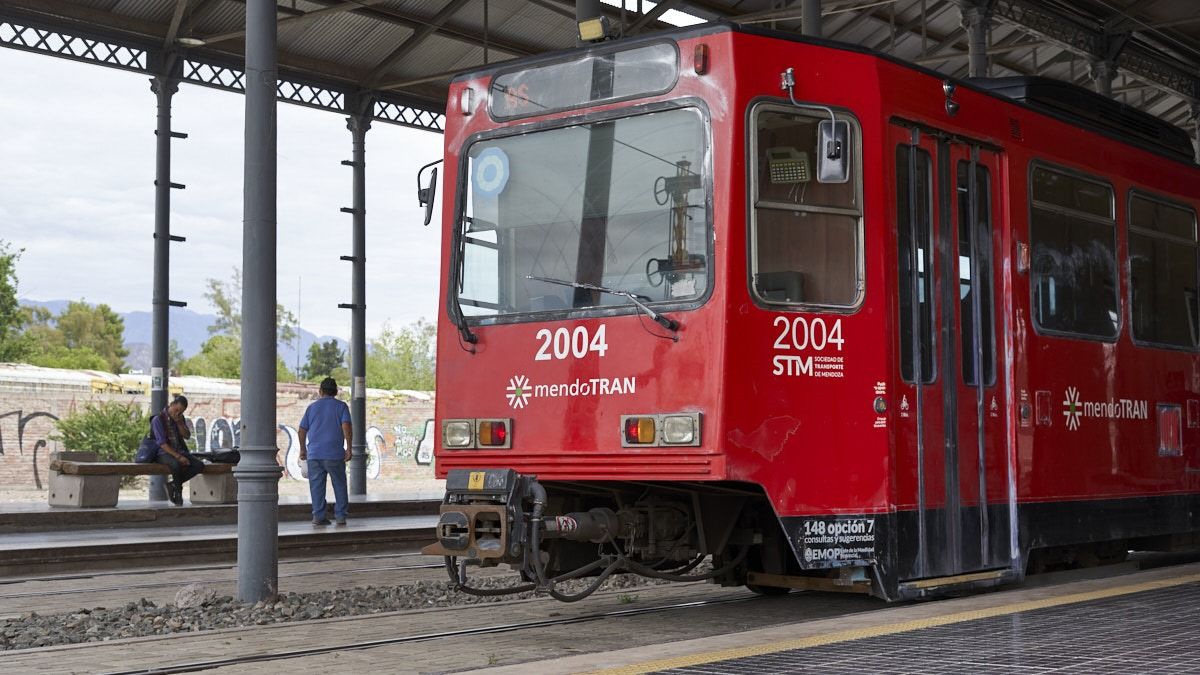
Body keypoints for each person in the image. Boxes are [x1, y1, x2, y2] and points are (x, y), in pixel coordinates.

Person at [299, 377, 352, 526]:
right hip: (334, 454)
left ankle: (319, 516)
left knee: (316, 487)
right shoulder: (341, 407)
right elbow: (346, 426)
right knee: (340, 485)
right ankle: (340, 516)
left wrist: (303, 449)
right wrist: (349, 447)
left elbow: (302, 429)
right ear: (335, 391)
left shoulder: (312, 407)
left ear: (320, 391)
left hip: (314, 454)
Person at [152, 395, 201, 506]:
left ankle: (173, 484)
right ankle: (178, 493)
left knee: (198, 465)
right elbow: (162, 444)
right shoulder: (158, 419)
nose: (177, 413)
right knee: (176, 464)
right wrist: (178, 457)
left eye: (181, 412)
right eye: (176, 410)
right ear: (172, 404)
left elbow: (187, 435)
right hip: (163, 453)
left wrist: (179, 423)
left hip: (179, 450)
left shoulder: (180, 418)